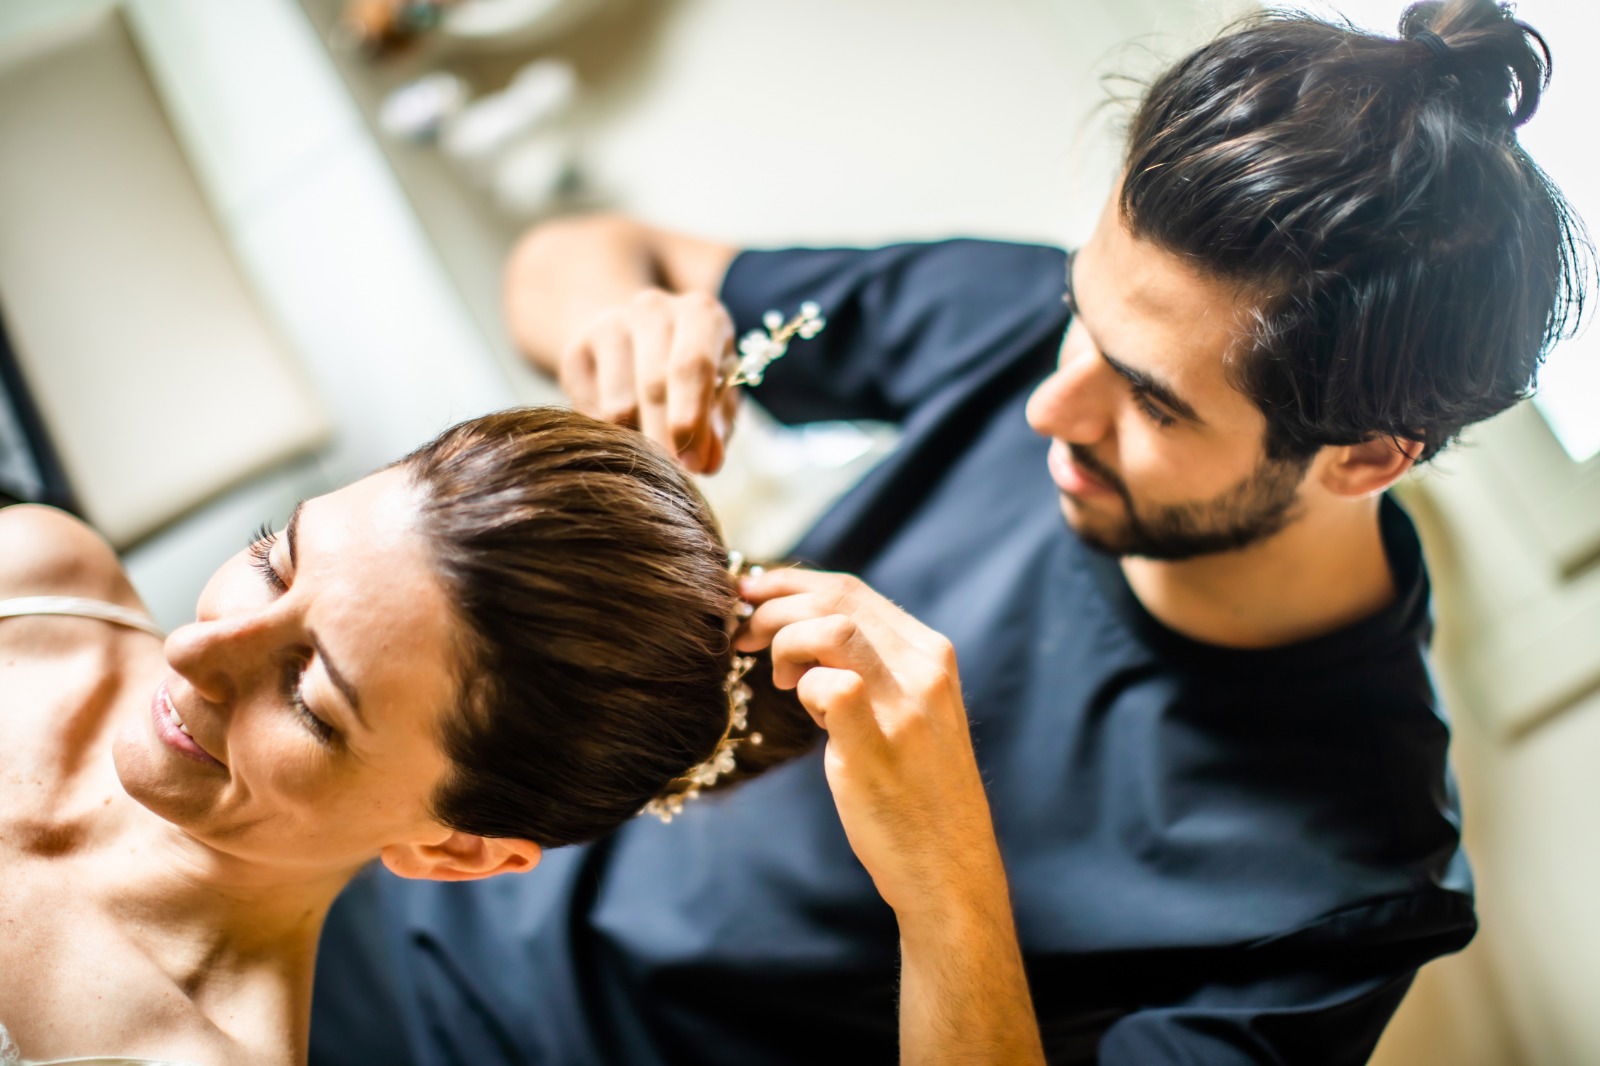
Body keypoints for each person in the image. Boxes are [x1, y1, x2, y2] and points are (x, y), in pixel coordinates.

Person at [310, 1, 1590, 1063]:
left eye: (1148, 399)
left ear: (1366, 458)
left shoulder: (1342, 892)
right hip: (378, 914)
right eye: (1087, 317)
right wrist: (622, 323)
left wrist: (944, 873)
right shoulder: (1011, 316)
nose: (1053, 397)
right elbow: (576, 254)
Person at [0, 407, 1037, 1064]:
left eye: (313, 699)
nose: (196, 650)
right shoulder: (41, 580)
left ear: (452, 850)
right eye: (275, 558)